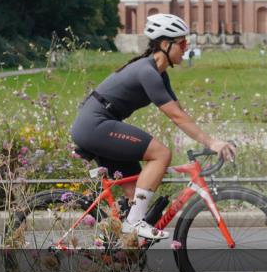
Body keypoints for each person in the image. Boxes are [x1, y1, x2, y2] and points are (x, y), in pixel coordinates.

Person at [70, 14, 235, 240]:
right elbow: (177, 117)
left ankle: (122, 252)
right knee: (161, 154)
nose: (187, 47)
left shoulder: (159, 73)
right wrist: (212, 142)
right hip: (94, 125)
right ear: (165, 45)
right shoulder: (147, 71)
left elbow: (180, 113)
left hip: (99, 125)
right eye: (182, 43)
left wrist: (208, 139)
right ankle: (134, 223)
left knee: (136, 194)